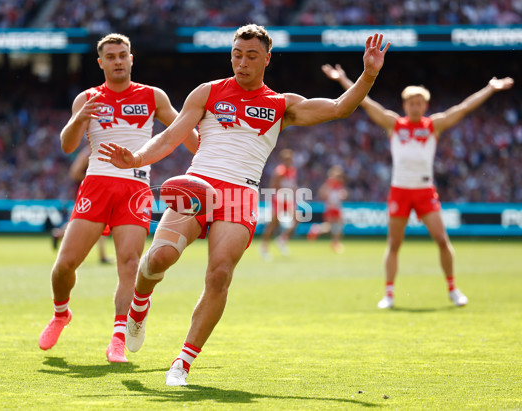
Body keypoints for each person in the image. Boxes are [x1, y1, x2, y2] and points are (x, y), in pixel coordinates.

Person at [98, 25, 389, 385]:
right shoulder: (208, 92)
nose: (242, 62)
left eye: (251, 56)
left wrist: (369, 74)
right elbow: (173, 135)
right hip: (197, 185)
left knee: (219, 275)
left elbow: (339, 108)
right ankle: (139, 306)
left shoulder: (282, 104)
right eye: (237, 54)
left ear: (267, 58)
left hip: (240, 195)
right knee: (158, 258)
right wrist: (137, 157)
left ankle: (182, 363)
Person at [38, 33, 198, 363]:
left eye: (123, 55)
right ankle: (60, 313)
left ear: (131, 58)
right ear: (101, 63)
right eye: (111, 57)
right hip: (96, 185)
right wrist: (79, 119)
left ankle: (118, 337)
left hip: (135, 188)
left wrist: (209, 153)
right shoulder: (88, 98)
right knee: (64, 265)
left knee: (128, 264)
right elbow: (68, 146)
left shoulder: (153, 96)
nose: (118, 61)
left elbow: (184, 130)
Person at [322, 64, 514, 309]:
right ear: (405, 105)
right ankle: (389, 294)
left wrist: (490, 87)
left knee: (442, 240)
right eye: (411, 103)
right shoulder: (394, 124)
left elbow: (463, 108)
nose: (415, 106)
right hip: (400, 191)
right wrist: (343, 79)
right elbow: (366, 102)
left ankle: (453, 289)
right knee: (394, 244)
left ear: (425, 105)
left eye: (419, 103)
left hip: (425, 191)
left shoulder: (433, 125)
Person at [51, 145, 113, 264]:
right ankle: (61, 236)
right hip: (88, 191)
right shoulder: (87, 153)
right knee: (88, 220)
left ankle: (59, 234)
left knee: (100, 220)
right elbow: (74, 173)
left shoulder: (96, 152)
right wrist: (94, 180)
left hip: (95, 191)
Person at [259, 148, 299, 260]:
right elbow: (274, 186)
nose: (289, 161)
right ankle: (264, 248)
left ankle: (282, 239)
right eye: (287, 159)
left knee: (297, 218)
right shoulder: (279, 171)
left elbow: (292, 185)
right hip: (279, 199)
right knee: (273, 224)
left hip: (288, 199)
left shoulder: (292, 171)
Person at [307, 165, 348, 253]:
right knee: (333, 226)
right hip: (331, 208)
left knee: (336, 226)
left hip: (335, 207)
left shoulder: (339, 184)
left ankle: (334, 243)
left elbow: (342, 194)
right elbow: (322, 193)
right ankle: (318, 229)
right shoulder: (330, 183)